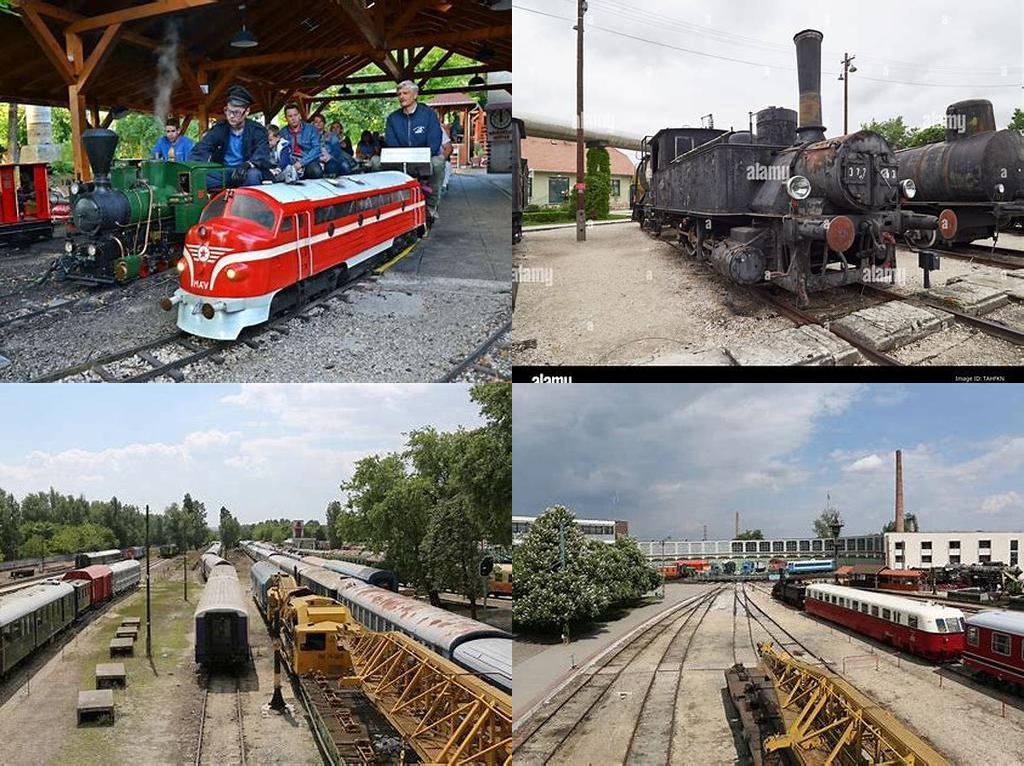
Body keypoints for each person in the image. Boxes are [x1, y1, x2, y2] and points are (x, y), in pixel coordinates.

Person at [381, 80, 445, 222]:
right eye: (399, 94)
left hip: (425, 159)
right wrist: (402, 157)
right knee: (375, 162)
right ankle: (390, 207)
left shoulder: (429, 115)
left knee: (438, 162)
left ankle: (431, 207)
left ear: (415, 95)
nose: (401, 97)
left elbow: (434, 141)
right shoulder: (393, 118)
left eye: (405, 93)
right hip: (400, 159)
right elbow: (391, 142)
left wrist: (422, 157)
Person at [191, 84, 271, 190]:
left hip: (246, 171)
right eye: (228, 111)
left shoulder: (257, 130)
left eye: (236, 112)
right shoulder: (219, 129)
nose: (231, 116)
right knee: (198, 177)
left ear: (247, 112)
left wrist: (247, 165)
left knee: (253, 175)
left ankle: (247, 206)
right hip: (224, 172)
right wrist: (194, 167)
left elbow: (262, 154)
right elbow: (201, 149)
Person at [278, 103, 323, 179]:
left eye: (295, 115)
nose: (293, 118)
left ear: (299, 115)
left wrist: (301, 163)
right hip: (290, 162)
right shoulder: (283, 132)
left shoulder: (311, 129)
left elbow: (317, 149)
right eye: (290, 116)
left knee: (316, 171)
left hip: (307, 160)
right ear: (286, 118)